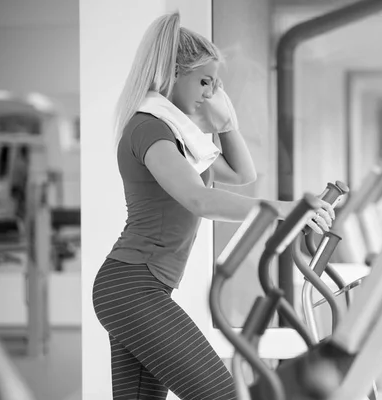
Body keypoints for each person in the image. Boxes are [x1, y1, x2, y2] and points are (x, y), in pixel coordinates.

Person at [92, 11, 334, 400]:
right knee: (222, 395)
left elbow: (242, 173)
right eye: (204, 81)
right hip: (133, 286)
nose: (209, 93)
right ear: (172, 74)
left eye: (215, 84)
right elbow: (199, 199)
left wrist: (226, 123)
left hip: (140, 287)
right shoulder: (149, 129)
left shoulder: (181, 135)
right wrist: (288, 209)